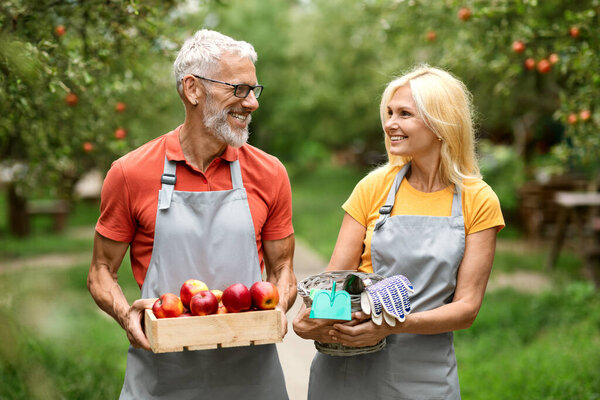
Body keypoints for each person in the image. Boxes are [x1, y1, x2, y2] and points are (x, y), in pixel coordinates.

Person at [87, 29, 296, 400]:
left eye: (254, 90)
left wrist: (277, 306)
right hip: (162, 374)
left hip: (251, 376)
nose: (251, 104)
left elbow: (283, 270)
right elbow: (101, 270)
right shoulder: (130, 172)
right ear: (193, 89)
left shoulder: (270, 172)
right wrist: (126, 315)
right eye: (239, 89)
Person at [293, 65, 505, 399]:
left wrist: (395, 323)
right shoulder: (373, 187)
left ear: (440, 123)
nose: (390, 123)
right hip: (349, 369)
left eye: (404, 114)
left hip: (425, 373)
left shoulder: (478, 200)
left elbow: (467, 308)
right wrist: (308, 321)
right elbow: (334, 281)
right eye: (389, 113)